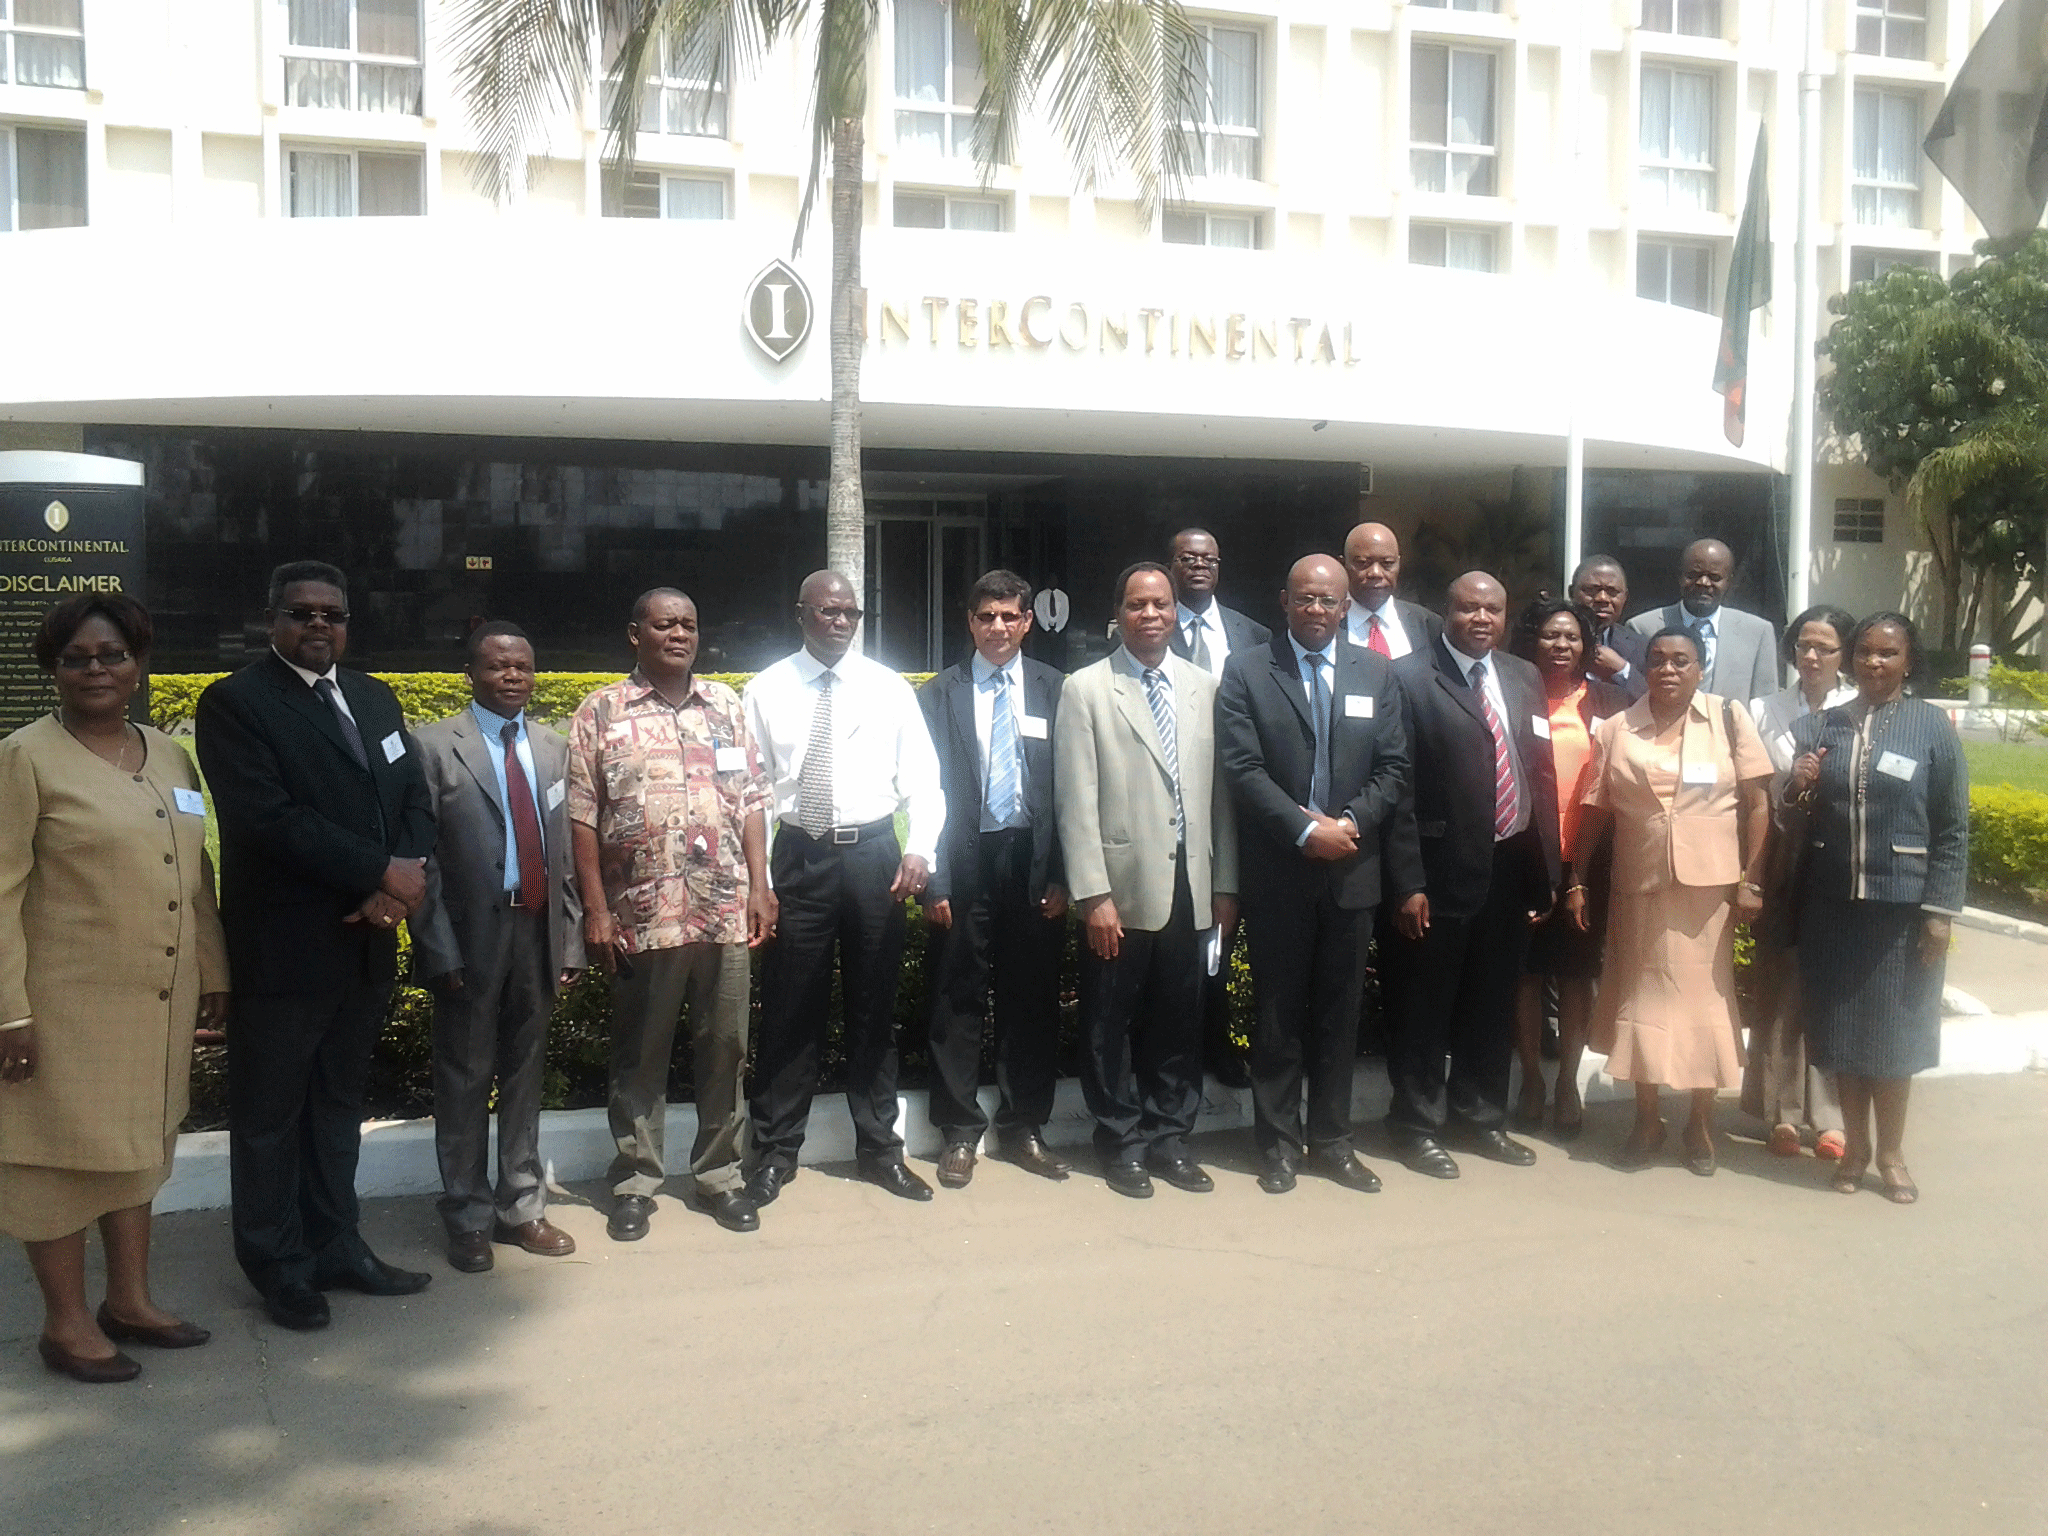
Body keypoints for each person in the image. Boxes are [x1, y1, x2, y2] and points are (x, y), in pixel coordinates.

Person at [195, 560, 437, 1332]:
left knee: (337, 1107)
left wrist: (399, 881)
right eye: (301, 613)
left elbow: (414, 797)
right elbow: (269, 819)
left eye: (332, 613)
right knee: (270, 1117)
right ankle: (279, 1264)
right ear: (272, 620)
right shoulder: (235, 703)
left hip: (367, 944)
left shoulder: (373, 696)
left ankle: (337, 1245)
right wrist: (379, 871)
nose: (318, 625)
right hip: (285, 949)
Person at [0, 595, 228, 1383]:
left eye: (112, 655)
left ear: (138, 663)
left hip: (157, 1002)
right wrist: (10, 1012)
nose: (97, 669)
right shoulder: (24, 757)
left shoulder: (167, 754)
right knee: (54, 1161)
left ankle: (129, 1301)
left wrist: (213, 971)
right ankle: (64, 1326)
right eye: (77, 659)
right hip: (61, 1010)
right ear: (53, 670)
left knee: (141, 1146)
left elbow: (195, 872)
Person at [568, 589, 775, 1238]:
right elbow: (582, 817)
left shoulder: (726, 706)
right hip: (643, 915)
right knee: (641, 1053)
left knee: (725, 1049)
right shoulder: (602, 711)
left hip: (722, 910)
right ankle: (635, 1181)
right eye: (664, 625)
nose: (679, 634)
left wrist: (761, 886)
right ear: (636, 634)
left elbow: (752, 800)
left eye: (688, 624)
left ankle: (720, 1176)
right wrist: (596, 910)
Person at [742, 572, 946, 1206]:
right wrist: (761, 881)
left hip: (874, 859)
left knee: (873, 1010)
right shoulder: (766, 688)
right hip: (799, 858)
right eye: (827, 611)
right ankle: (775, 1153)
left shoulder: (888, 688)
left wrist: (920, 848)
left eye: (850, 614)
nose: (839, 622)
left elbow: (925, 779)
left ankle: (881, 1151)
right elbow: (754, 793)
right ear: (801, 614)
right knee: (788, 1010)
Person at [1216, 555, 1407, 1194]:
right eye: (1305, 598)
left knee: (1339, 1014)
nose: (1317, 610)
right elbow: (1242, 769)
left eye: (1329, 600)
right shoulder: (1246, 670)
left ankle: (1332, 1142)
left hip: (1352, 871)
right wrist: (1304, 830)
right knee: (1276, 1014)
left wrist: (1348, 823)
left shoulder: (1376, 671)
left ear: (1346, 605)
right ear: (1284, 601)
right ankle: (1276, 1146)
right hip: (1279, 872)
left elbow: (1394, 767)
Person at [1056, 562, 1238, 1197]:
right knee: (1109, 1021)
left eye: (1161, 603)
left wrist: (1225, 885)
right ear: (1119, 613)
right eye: (1137, 604)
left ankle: (1169, 1138)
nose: (1151, 614)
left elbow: (1221, 797)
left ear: (1175, 610)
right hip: (1121, 887)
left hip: (1192, 880)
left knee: (1179, 1019)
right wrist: (1093, 894)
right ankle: (1121, 1142)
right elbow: (1074, 801)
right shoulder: (1085, 689)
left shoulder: (1205, 687)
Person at [408, 621, 584, 1272]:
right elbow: (419, 858)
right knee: (463, 1074)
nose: (512, 676)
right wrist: (437, 947)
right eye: (497, 666)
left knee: (524, 1071)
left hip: (536, 930)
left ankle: (521, 1206)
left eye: (523, 667)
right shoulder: (433, 746)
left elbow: (565, 854)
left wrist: (570, 941)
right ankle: (466, 1216)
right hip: (469, 935)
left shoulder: (554, 748)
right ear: (471, 674)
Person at [1574, 629, 1773, 1177]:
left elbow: (1758, 804)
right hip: (1639, 887)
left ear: (1700, 668)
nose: (1668, 669)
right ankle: (1647, 1120)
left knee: (1705, 1004)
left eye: (1681, 661)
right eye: (1657, 659)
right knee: (1644, 1003)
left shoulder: (1728, 719)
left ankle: (1700, 1123)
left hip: (1709, 895)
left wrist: (1752, 880)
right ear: (1644, 668)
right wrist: (1577, 878)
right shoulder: (1616, 728)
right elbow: (1595, 809)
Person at [1380, 572, 1558, 1179]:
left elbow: (1540, 773)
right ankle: (1415, 1125)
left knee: (1491, 1001)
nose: (1481, 618)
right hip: (1437, 872)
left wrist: (1546, 868)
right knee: (1424, 1006)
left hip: (1509, 866)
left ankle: (1480, 1118)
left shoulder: (1523, 675)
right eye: (1468, 608)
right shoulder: (1408, 677)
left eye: (1493, 609)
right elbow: (1398, 788)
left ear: (1505, 616)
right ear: (1445, 612)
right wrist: (1408, 883)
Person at [1786, 613, 1968, 1205]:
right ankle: (1856, 1149)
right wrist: (1798, 784)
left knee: (1894, 1038)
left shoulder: (1930, 725)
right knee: (1843, 1036)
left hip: (1902, 910)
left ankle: (1891, 1154)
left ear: (1909, 661)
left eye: (1888, 653)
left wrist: (1939, 911)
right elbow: (1800, 812)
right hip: (1834, 906)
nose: (1873, 662)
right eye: (1865, 651)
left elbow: (1952, 827)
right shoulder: (1825, 724)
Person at [917, 571, 1071, 1188]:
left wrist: (1063, 874)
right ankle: (959, 1131)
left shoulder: (1056, 688)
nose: (998, 627)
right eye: (987, 617)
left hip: (1033, 862)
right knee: (956, 997)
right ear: (970, 622)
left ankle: (1024, 1126)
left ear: (1028, 621)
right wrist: (934, 881)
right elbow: (923, 791)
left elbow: (1071, 789)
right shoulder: (939, 694)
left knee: (1030, 998)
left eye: (1010, 616)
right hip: (965, 862)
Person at [1507, 599, 1630, 1138]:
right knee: (1526, 972)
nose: (1561, 646)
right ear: (1532, 642)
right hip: (1525, 852)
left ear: (1587, 646)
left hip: (1588, 857)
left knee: (1577, 972)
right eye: (1550, 636)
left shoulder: (1610, 701)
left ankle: (1567, 1085)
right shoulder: (1513, 692)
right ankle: (1532, 1080)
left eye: (1572, 637)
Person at [1741, 605, 1858, 1161]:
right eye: (1803, 646)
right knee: (1782, 984)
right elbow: (1756, 794)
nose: (1811, 657)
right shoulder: (1763, 710)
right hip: (1785, 859)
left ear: (1844, 654)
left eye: (1825, 648)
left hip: (1842, 863)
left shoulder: (1860, 710)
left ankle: (1831, 1116)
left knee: (1832, 986)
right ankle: (1782, 1114)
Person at [1166, 527, 1267, 1090]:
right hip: (1187, 809)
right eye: (1188, 558)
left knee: (1233, 939)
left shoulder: (1253, 635)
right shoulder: (1150, 627)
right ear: (1172, 565)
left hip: (1251, 809)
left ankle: (1226, 1042)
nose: (1199, 565)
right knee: (1188, 937)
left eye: (1208, 557)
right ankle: (1186, 1049)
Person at [1628, 538, 1780, 704]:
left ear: (1729, 581)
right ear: (1680, 576)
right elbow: (1634, 693)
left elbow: (1765, 704)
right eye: (1693, 575)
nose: (1703, 583)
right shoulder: (1642, 628)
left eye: (1714, 577)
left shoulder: (1757, 632)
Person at [1340, 521, 1444, 659]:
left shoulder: (1428, 624)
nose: (1376, 573)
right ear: (1343, 565)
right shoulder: (1327, 624)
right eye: (1363, 563)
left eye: (1387, 563)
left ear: (1398, 563)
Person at [1569, 554, 1648, 702]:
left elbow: (1655, 701)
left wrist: (1621, 669)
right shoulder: (1551, 642)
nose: (1602, 598)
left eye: (1612, 592)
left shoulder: (1641, 647)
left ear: (1625, 597)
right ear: (1571, 593)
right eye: (1591, 590)